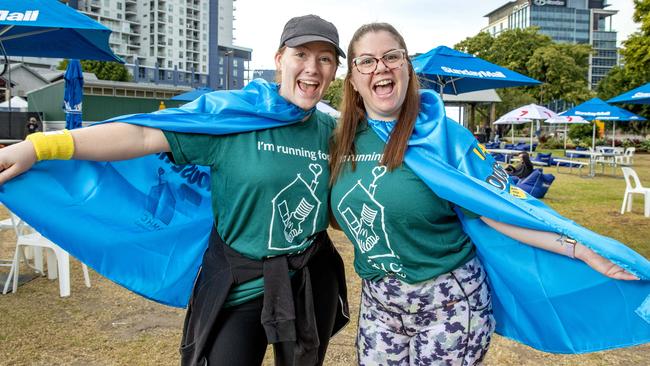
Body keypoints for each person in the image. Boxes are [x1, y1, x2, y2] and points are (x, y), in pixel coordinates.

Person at [0, 15, 349, 366]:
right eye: (301, 54)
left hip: (306, 277)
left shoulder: (331, 132)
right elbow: (142, 135)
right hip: (240, 284)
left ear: (334, 70)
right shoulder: (234, 117)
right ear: (279, 60)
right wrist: (40, 148)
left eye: (325, 59)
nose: (313, 68)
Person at [328, 23, 648, 365]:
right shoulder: (339, 140)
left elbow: (498, 210)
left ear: (407, 67)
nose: (381, 67)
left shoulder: (444, 138)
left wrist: (581, 250)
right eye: (367, 61)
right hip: (380, 303)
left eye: (392, 56)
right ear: (353, 78)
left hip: (448, 302)